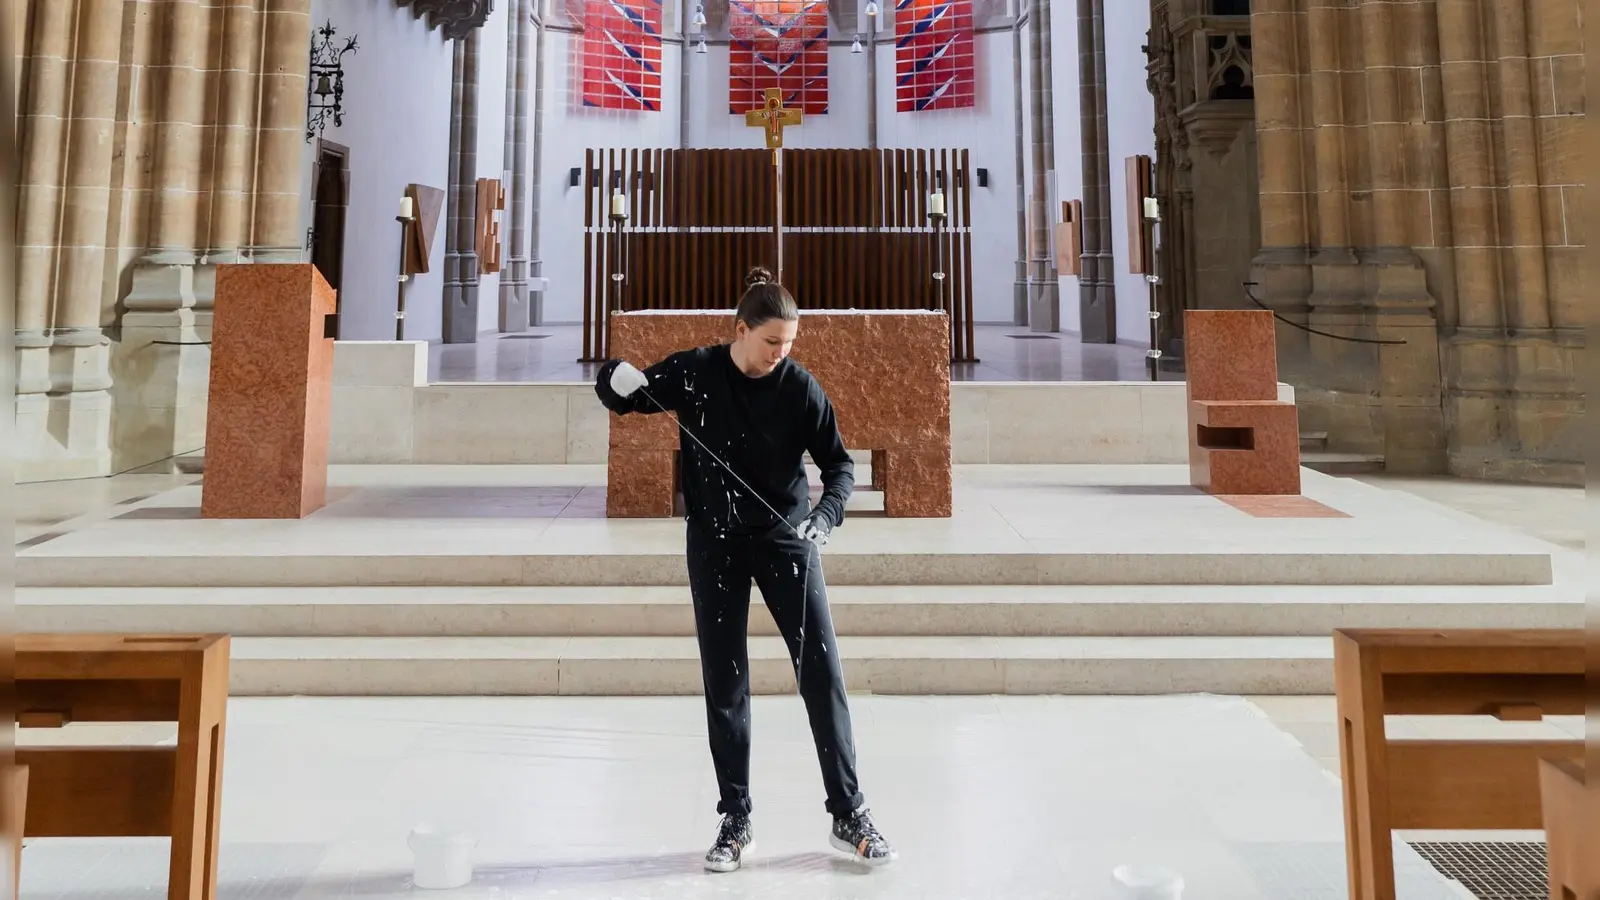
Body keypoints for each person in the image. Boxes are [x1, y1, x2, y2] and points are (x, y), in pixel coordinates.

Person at [594, 266, 897, 873]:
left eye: (789, 344)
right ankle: (736, 818)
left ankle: (849, 812)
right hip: (715, 545)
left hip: (787, 540)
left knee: (823, 674)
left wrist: (826, 515)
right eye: (771, 343)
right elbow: (623, 398)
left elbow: (839, 467)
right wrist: (614, 378)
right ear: (740, 330)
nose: (780, 354)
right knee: (726, 679)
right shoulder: (697, 372)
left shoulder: (800, 387)